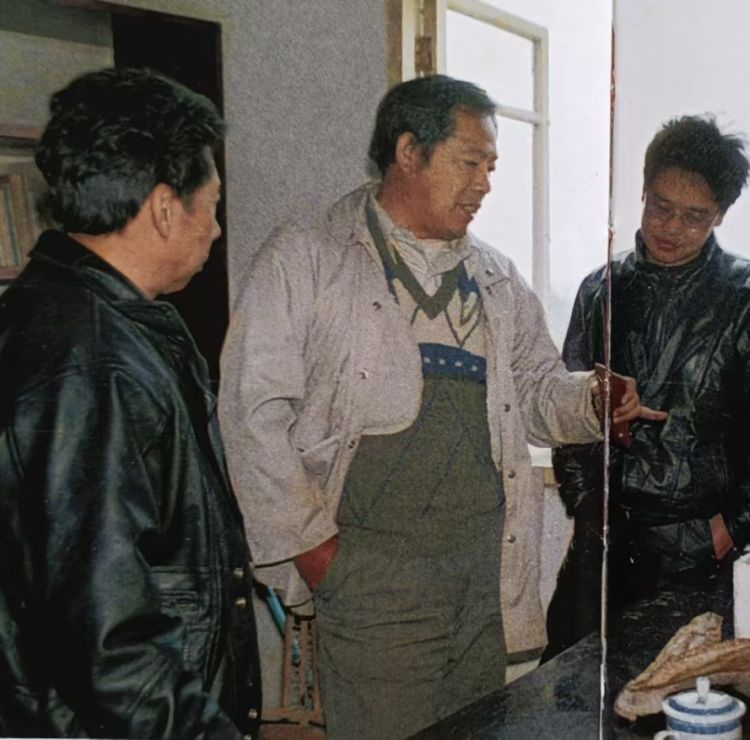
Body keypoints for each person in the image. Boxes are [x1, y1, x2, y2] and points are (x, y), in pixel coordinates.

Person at [218, 74, 660, 739]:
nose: (484, 183)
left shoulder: (496, 277)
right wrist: (315, 552)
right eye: (470, 162)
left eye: (491, 168)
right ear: (408, 151)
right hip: (371, 584)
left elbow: (535, 390)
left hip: (482, 582)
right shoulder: (306, 259)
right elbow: (252, 415)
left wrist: (591, 399)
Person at [0, 67, 261, 738]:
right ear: (164, 207)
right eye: (211, 204)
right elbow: (108, 644)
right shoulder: (92, 363)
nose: (215, 230)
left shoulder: (79, 317)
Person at [542, 114, 750, 661]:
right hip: (599, 548)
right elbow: (564, 407)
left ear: (720, 215)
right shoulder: (601, 291)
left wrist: (727, 531)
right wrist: (586, 507)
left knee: (687, 695)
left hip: (701, 553)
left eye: (694, 217)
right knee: (570, 691)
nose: (670, 227)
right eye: (660, 206)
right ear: (643, 192)